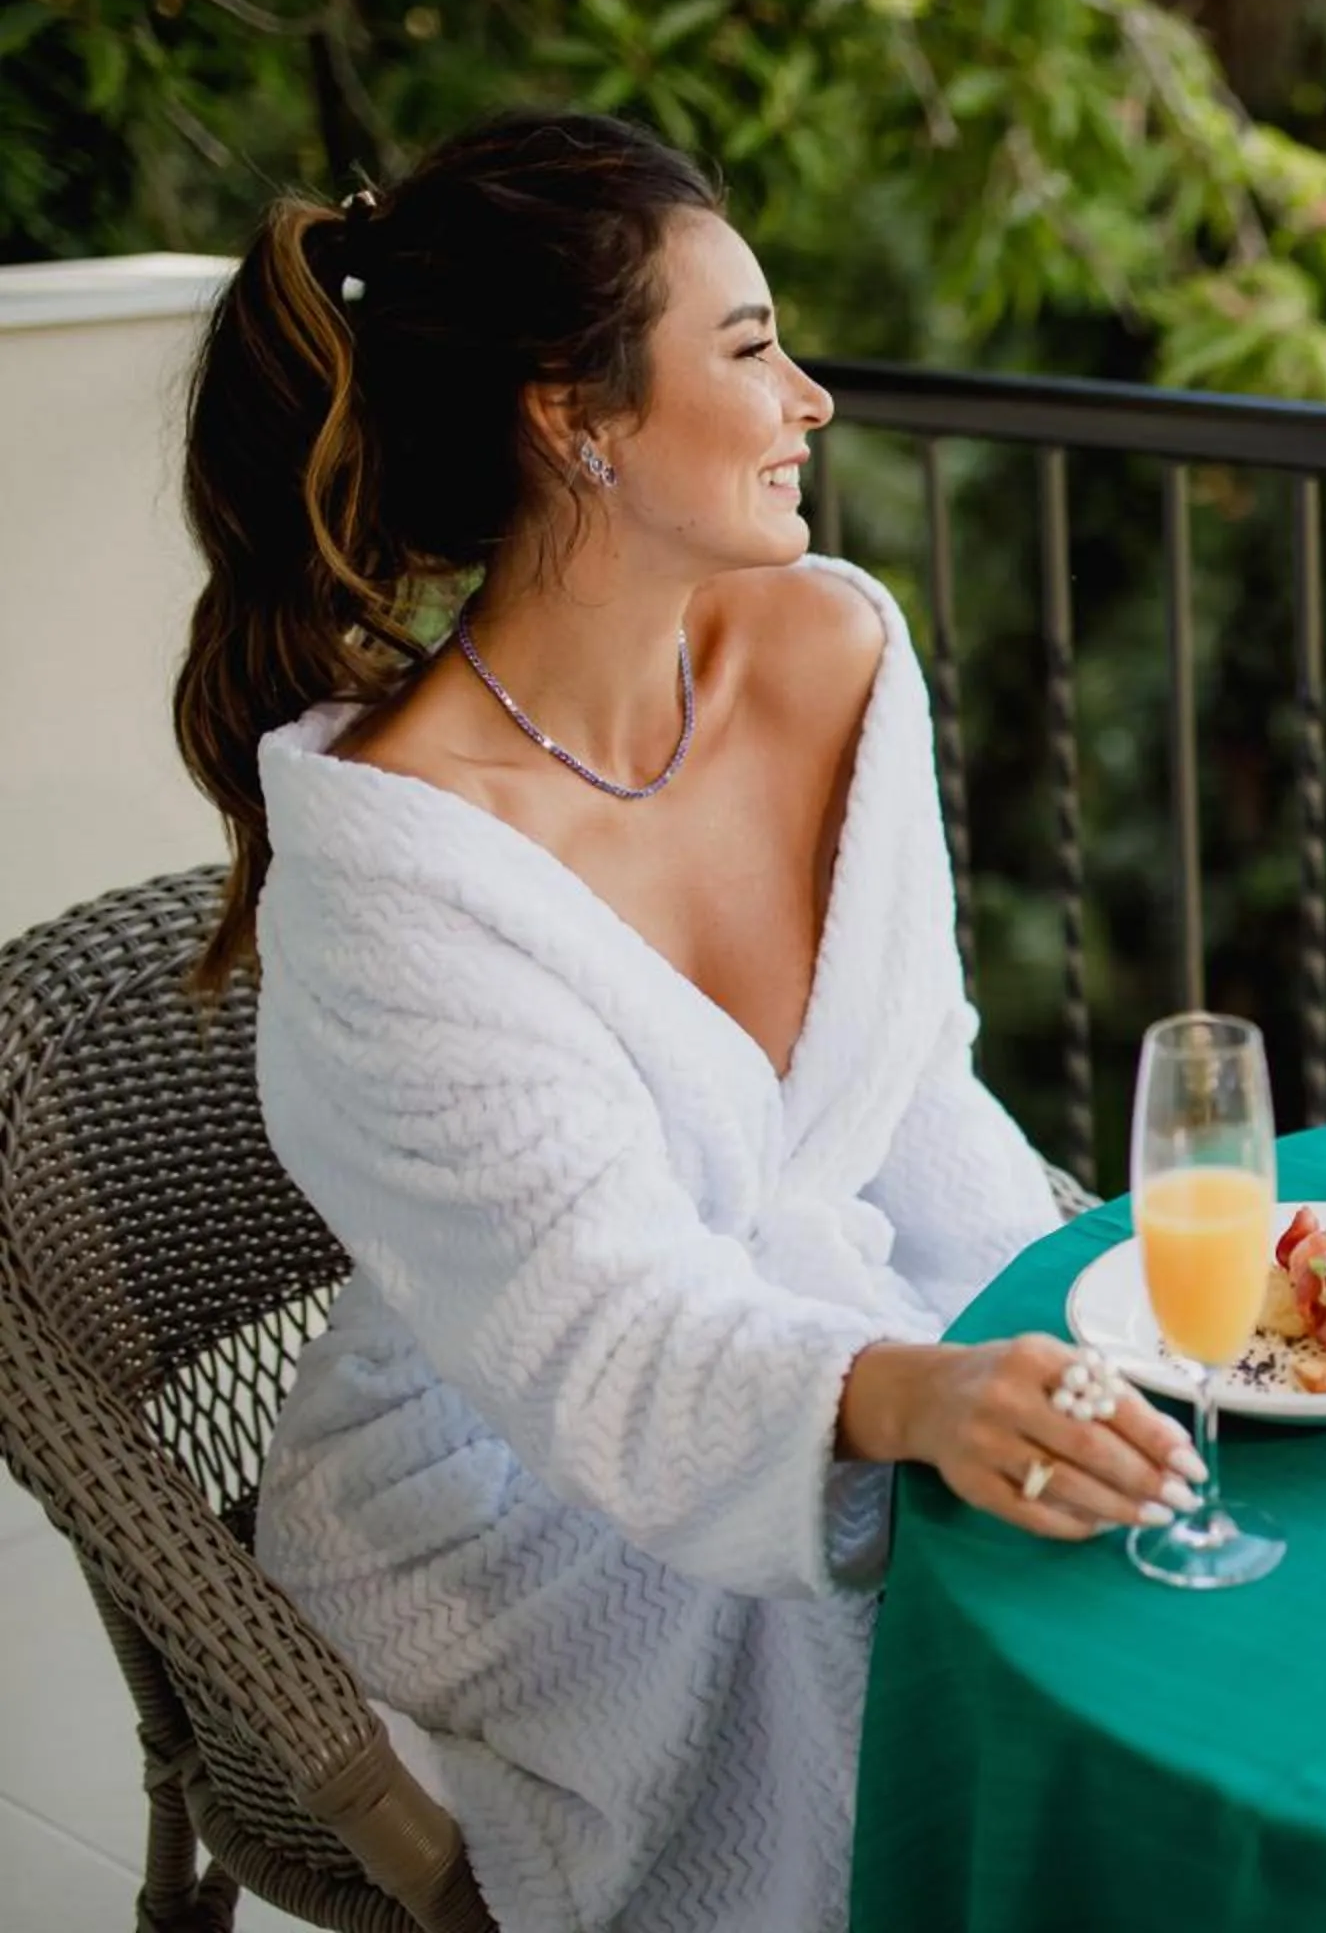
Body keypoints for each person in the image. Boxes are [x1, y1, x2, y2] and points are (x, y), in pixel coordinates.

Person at [170, 111, 1199, 1933]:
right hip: (518, 1490)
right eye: (748, 349)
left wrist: (1079, 1318)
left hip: (830, 1354)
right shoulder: (401, 880)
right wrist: (907, 1395)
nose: (810, 399)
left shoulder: (834, 654)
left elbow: (916, 1095)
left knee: (1129, 1558)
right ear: (574, 416)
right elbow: (600, 1323)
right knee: (911, 1674)